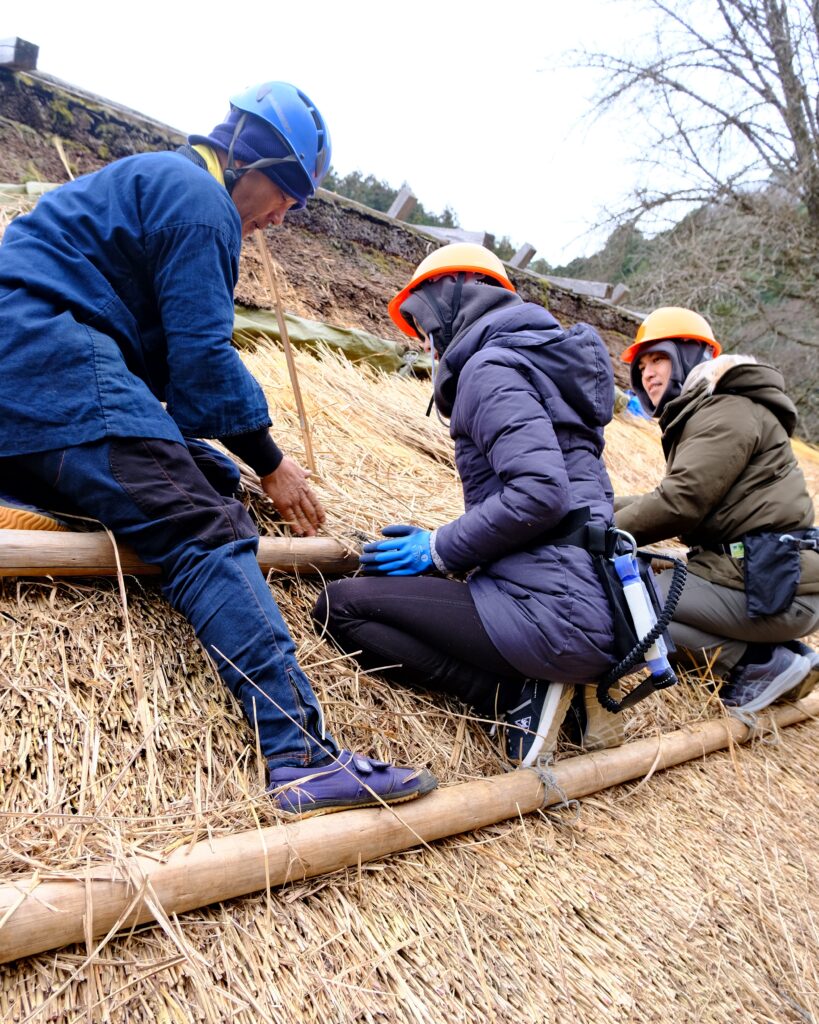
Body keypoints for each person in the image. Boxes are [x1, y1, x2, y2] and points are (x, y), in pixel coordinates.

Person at [0, 81, 436, 816]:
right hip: (53, 362)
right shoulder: (198, 200)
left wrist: (229, 456)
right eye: (286, 191)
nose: (283, 214)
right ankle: (302, 752)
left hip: (26, 379)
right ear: (247, 161)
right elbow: (201, 360)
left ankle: (22, 498)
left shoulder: (156, 186)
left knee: (203, 468)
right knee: (205, 524)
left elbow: (170, 376)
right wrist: (272, 461)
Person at [312, 243, 619, 767]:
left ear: (453, 300)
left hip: (549, 618)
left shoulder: (488, 368)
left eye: (426, 327)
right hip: (598, 611)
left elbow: (540, 492)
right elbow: (553, 504)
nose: (427, 346)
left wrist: (439, 548)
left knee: (339, 607)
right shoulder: (539, 365)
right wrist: (454, 537)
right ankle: (563, 690)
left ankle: (511, 697)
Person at [615, 307, 819, 713]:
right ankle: (777, 653)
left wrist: (596, 531)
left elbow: (680, 504)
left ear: (691, 355)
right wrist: (597, 509)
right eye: (642, 365)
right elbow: (674, 496)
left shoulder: (726, 410)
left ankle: (753, 662)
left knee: (627, 598)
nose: (648, 373)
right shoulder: (717, 411)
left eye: (659, 358)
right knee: (642, 585)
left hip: (769, 581)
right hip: (766, 575)